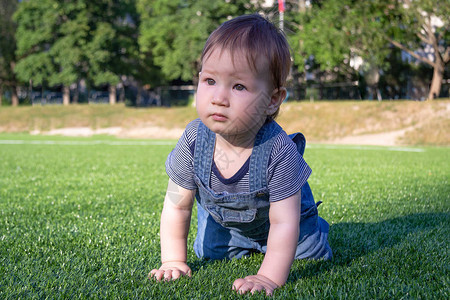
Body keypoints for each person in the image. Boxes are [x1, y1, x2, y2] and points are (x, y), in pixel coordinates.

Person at [149, 14, 332, 296]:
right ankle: (244, 243)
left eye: (238, 86)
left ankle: (316, 228)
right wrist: (173, 260)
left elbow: (284, 222)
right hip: (231, 227)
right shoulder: (194, 140)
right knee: (206, 251)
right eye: (210, 80)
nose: (219, 97)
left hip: (286, 222)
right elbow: (177, 204)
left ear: (272, 100)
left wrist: (268, 278)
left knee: (310, 253)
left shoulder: (278, 150)